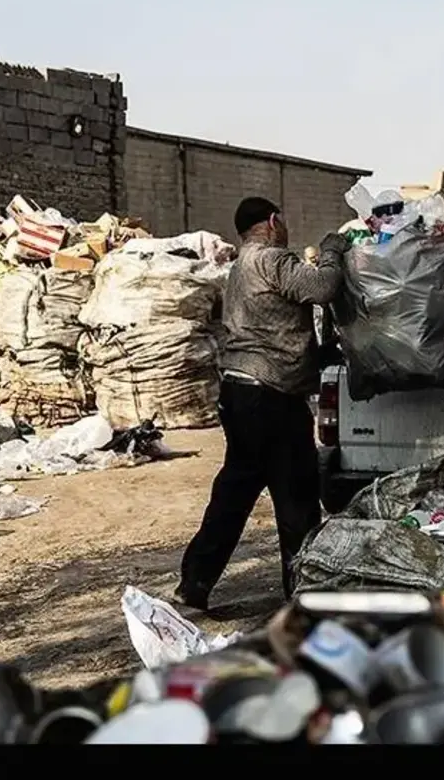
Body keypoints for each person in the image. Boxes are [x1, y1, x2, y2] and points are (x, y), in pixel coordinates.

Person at [176, 197, 348, 610]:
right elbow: (324, 288)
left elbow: (275, 327)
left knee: (234, 493)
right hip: (271, 396)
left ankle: (194, 583)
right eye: (283, 221)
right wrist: (333, 251)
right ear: (273, 222)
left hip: (241, 393)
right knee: (297, 497)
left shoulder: (239, 267)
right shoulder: (271, 259)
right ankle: (304, 591)